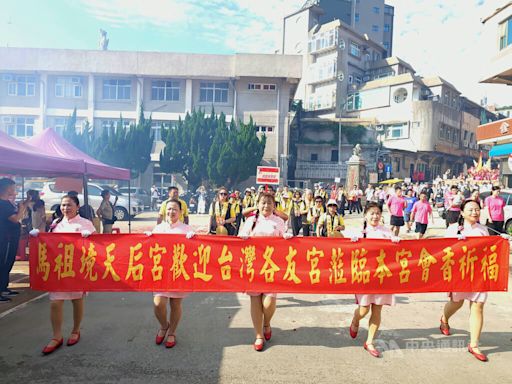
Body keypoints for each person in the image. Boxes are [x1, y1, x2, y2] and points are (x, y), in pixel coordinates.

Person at [30, 194, 95, 355]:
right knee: (55, 303)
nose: (65, 208)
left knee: (76, 300)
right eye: (63, 205)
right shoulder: (56, 223)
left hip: (77, 270)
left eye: (69, 205)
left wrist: (89, 236)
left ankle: (75, 330)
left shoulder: (85, 223)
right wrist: (38, 236)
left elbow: (97, 246)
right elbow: (51, 244)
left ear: (77, 206)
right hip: (59, 269)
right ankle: (56, 336)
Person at [439, 199, 503, 362]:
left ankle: (473, 344)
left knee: (478, 306)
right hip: (459, 273)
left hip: (479, 274)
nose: (474, 212)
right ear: (461, 212)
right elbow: (444, 251)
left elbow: (490, 250)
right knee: (457, 303)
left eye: (477, 209)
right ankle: (444, 319)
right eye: (470, 209)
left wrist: (503, 241)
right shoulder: (453, 229)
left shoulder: (483, 229)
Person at [238, 193, 292, 351]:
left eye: (269, 203)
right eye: (263, 203)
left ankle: (266, 322)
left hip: (272, 266)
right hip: (254, 266)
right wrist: (242, 237)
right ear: (258, 204)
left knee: (269, 303)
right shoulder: (251, 221)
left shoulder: (279, 221)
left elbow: (286, 239)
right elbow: (242, 237)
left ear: (274, 206)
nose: (266, 206)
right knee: (255, 300)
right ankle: (258, 335)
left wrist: (288, 237)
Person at [349, 202, 400, 358]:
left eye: (378, 213)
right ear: (365, 215)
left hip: (382, 277)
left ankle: (369, 341)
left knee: (377, 309)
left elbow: (397, 250)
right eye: (372, 213)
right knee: (363, 310)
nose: (375, 216)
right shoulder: (360, 232)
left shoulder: (386, 232)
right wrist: (353, 241)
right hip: (365, 276)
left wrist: (396, 241)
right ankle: (355, 320)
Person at [146, 199, 195, 348]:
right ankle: (164, 325)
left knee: (175, 303)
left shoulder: (186, 229)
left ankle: (172, 332)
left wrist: (194, 240)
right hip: (161, 272)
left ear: (180, 212)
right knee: (158, 303)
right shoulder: (158, 229)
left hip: (178, 271)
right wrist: (146, 239)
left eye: (174, 209)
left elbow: (195, 253)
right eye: (168, 209)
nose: (171, 212)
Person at [0, 178, 28, 302]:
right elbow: (16, 219)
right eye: (14, 187)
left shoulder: (8, 202)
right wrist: (22, 208)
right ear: (8, 188)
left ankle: (4, 287)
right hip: (5, 238)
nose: (16, 190)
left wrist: (24, 205)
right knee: (3, 263)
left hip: (11, 238)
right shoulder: (2, 204)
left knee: (9, 262)